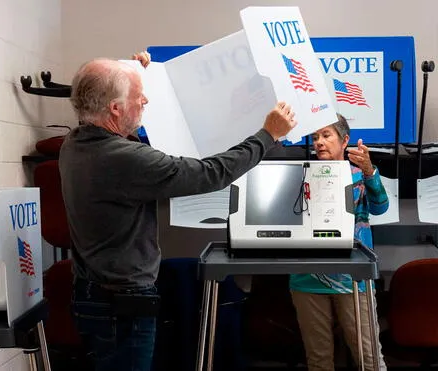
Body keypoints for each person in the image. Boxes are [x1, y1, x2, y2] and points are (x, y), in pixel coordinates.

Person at [58, 50, 297, 371]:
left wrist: (139, 74)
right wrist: (268, 135)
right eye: (137, 96)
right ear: (114, 108)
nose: (145, 100)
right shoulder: (122, 159)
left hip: (95, 296)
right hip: (123, 305)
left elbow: (116, 120)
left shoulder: (75, 143)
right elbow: (210, 173)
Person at [289, 114, 389, 371]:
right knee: (319, 361)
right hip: (307, 276)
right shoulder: (300, 177)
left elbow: (380, 207)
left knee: (369, 359)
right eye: (315, 137)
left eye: (326, 135)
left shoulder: (360, 175)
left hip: (353, 277)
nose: (319, 142)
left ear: (345, 140)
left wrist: (369, 171)